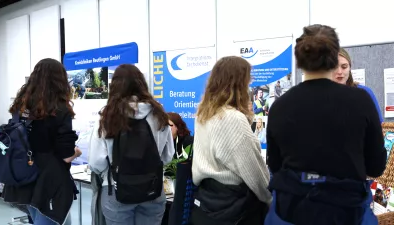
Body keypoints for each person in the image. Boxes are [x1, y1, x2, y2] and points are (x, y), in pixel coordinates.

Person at [265, 24, 386, 225]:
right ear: (333, 58)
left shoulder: (279, 107)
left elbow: (275, 166)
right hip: (347, 211)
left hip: (292, 211)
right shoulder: (361, 100)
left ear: (299, 60)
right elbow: (376, 165)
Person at [88, 64, 174, 225]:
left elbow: (96, 162)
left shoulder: (107, 117)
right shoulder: (159, 114)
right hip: (153, 189)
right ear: (142, 84)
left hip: (116, 190)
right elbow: (168, 156)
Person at [190, 56, 271, 225]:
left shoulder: (204, 114)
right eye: (248, 82)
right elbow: (254, 173)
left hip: (208, 200)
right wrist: (269, 199)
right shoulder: (232, 118)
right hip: (233, 206)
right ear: (239, 83)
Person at [2, 58, 80, 225]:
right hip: (49, 182)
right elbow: (66, 155)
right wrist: (77, 152)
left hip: (23, 177)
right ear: (60, 81)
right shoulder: (60, 109)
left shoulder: (20, 107)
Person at [333, 48, 383, 122]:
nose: (340, 72)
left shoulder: (365, 93)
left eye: (344, 67)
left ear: (350, 68)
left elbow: (379, 125)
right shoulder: (320, 95)